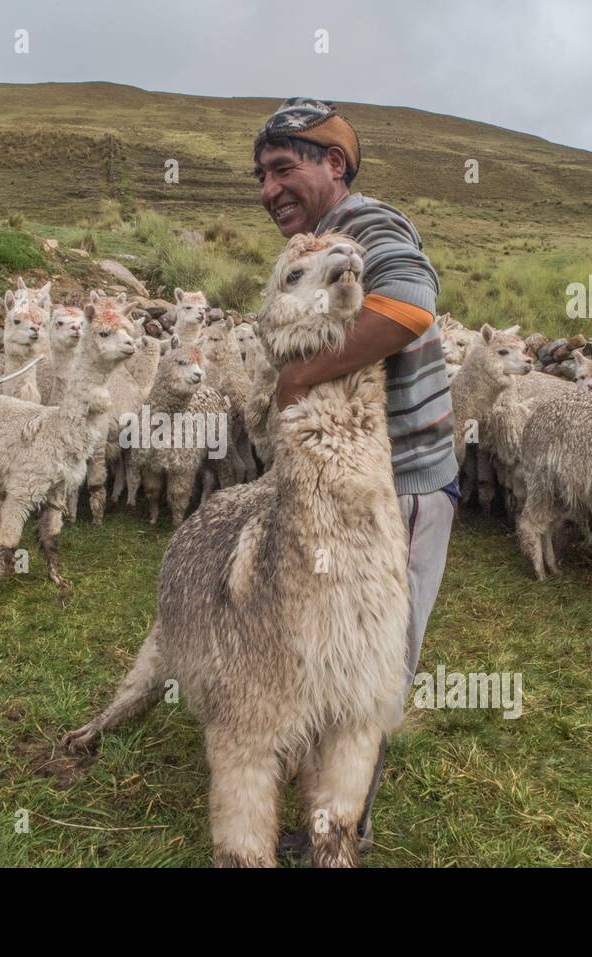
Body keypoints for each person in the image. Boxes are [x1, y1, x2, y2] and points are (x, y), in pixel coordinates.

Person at [252, 98, 458, 858]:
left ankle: (342, 827)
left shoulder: (369, 225)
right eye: (262, 176)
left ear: (333, 165)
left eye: (285, 169)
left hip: (397, 481)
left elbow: (409, 307)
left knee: (371, 658)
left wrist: (299, 379)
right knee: (329, 641)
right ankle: (321, 804)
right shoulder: (325, 241)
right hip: (346, 480)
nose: (270, 189)